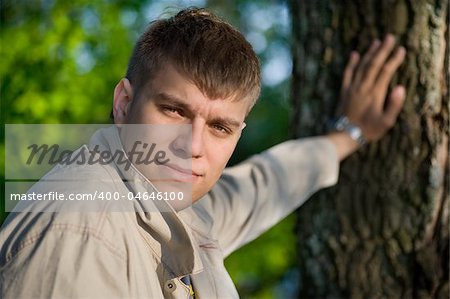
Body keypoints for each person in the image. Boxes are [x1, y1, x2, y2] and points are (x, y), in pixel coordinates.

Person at [0, 7, 406, 298]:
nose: (192, 147)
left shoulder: (175, 208)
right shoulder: (78, 235)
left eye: (219, 127)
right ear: (124, 103)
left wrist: (349, 135)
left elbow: (261, 186)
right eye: (174, 110)